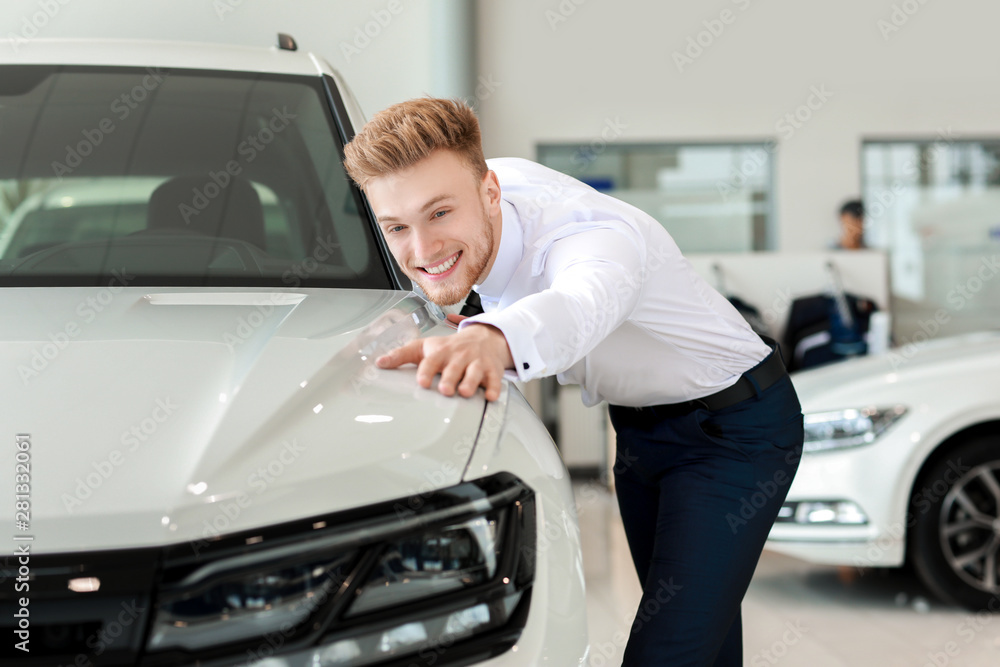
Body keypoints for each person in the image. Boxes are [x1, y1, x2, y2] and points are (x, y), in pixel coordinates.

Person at [343, 98, 803, 666]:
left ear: (490, 193)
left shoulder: (591, 238)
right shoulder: (479, 188)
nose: (422, 249)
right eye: (397, 226)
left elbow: (582, 301)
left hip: (736, 429)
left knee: (671, 647)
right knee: (700, 634)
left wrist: (495, 338)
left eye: (440, 214)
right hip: (640, 431)